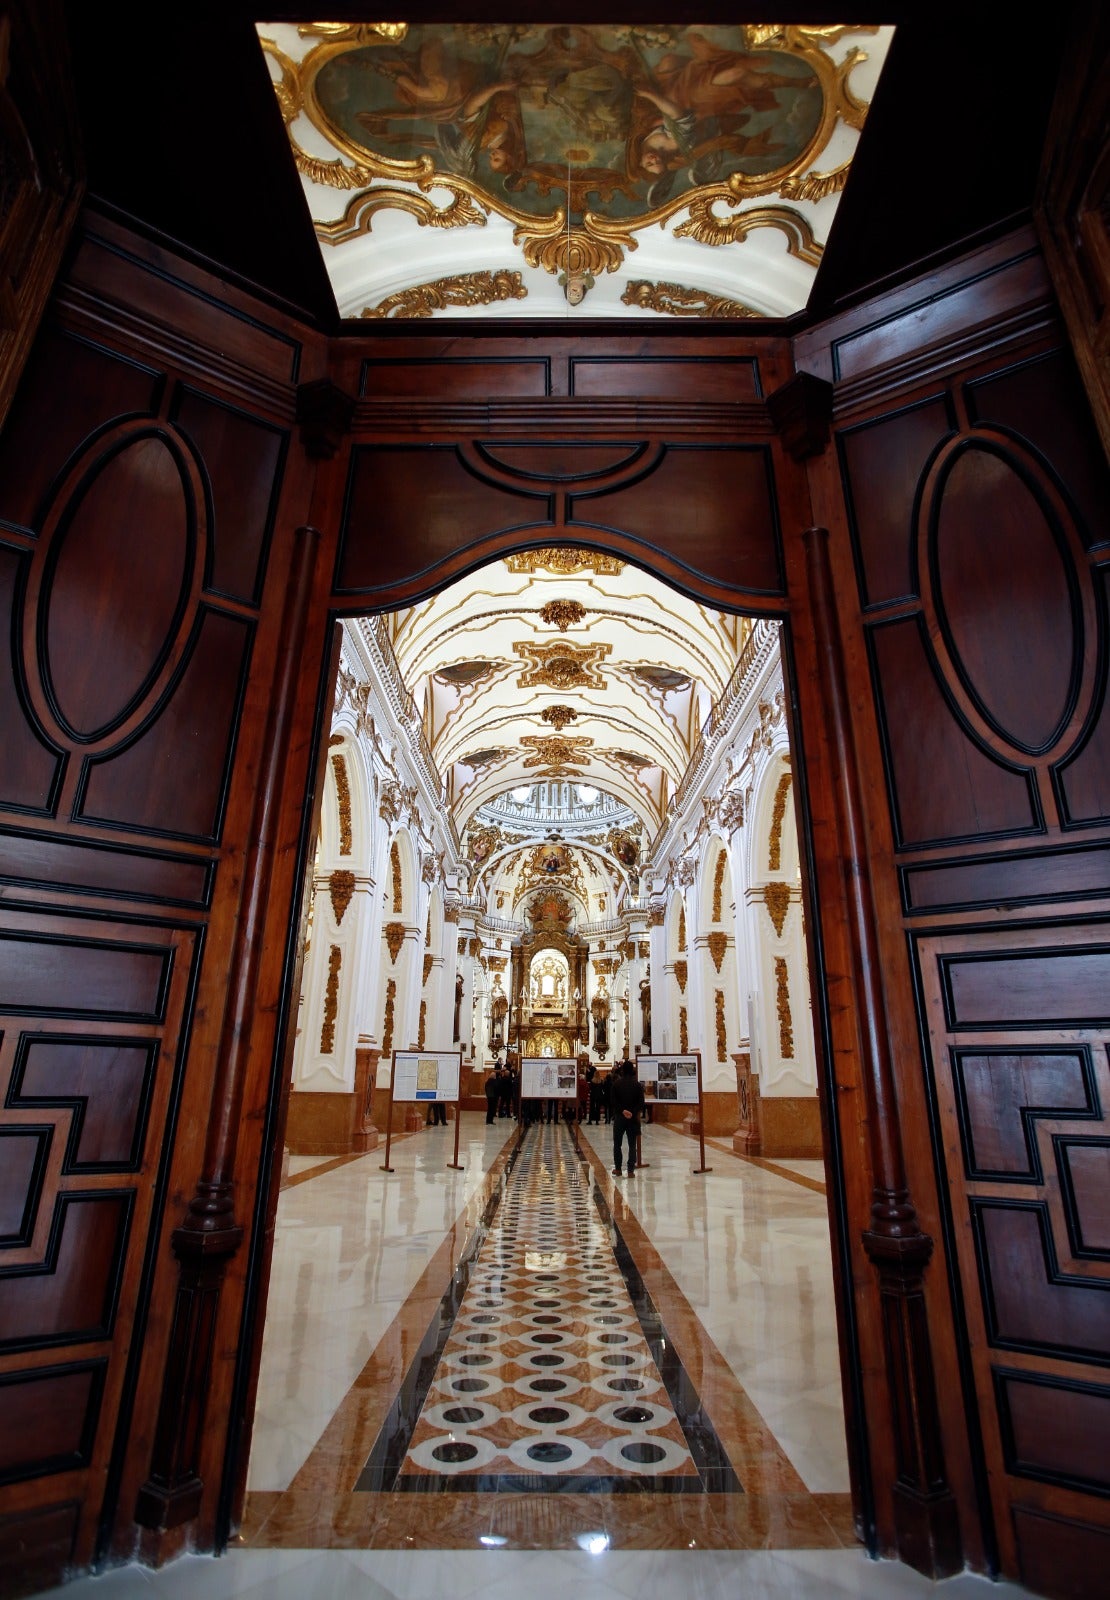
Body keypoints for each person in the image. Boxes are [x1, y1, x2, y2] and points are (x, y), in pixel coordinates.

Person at [610, 1058, 644, 1176]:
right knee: (632, 1144)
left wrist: (623, 1111)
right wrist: (632, 1112)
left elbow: (613, 1101)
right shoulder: (638, 1085)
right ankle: (630, 1170)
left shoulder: (617, 1084)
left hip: (620, 1117)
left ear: (623, 1070)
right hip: (633, 1119)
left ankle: (618, 1168)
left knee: (617, 1144)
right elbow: (641, 1102)